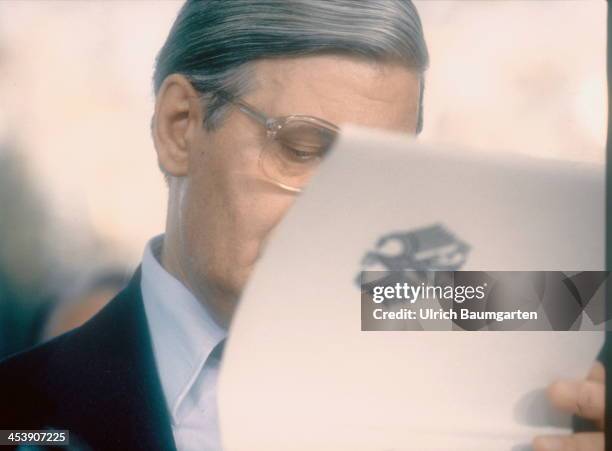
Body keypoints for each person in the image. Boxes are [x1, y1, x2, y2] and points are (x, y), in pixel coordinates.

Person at [0, 1, 605, 450]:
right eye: (302, 147)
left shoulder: (476, 409)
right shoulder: (19, 414)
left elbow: (571, 296)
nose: (340, 210)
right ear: (179, 127)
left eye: (376, 169)